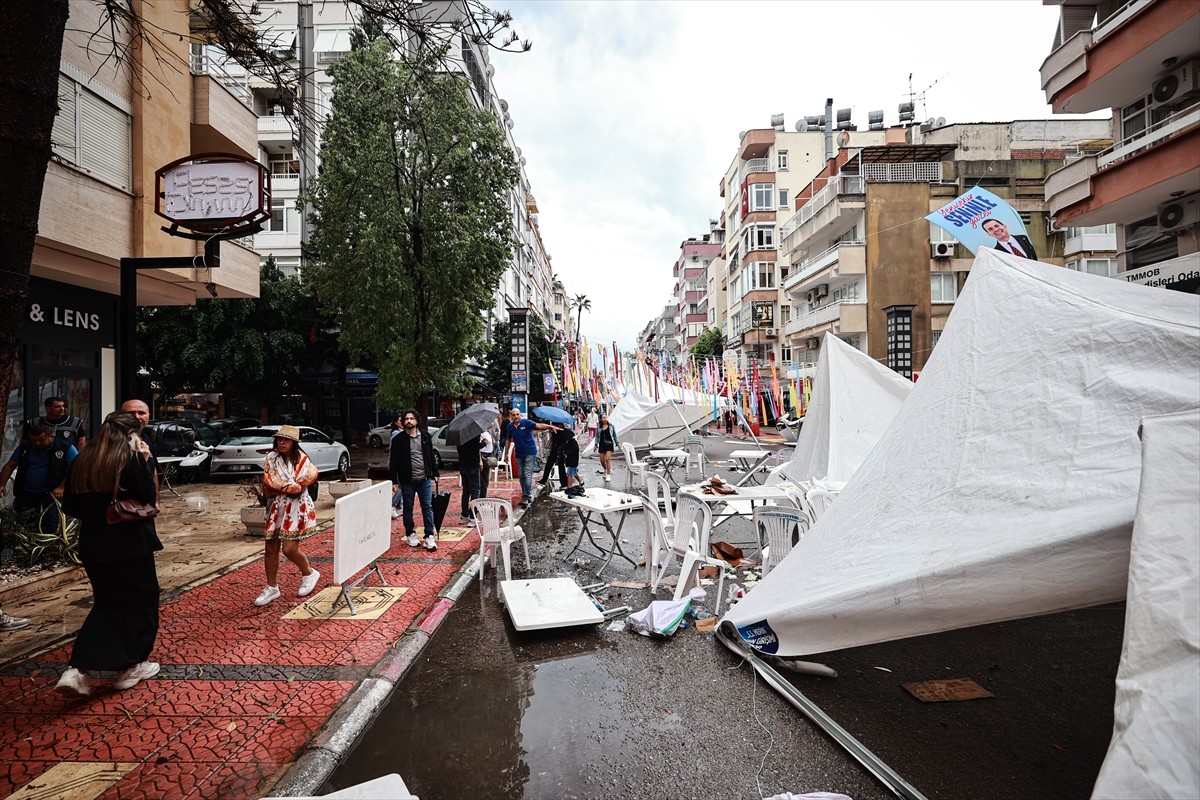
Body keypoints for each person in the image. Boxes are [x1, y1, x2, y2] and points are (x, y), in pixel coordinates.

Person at [55, 411, 161, 696]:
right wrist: (146, 459)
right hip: (130, 543)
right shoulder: (130, 458)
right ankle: (131, 666)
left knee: (107, 603)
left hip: (93, 544)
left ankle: (77, 670)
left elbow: (70, 507)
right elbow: (148, 497)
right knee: (141, 601)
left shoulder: (84, 460)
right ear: (131, 434)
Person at [253, 425, 321, 607]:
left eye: (286, 439)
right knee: (271, 547)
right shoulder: (271, 458)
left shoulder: (303, 461)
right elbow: (271, 480)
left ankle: (309, 572)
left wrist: (287, 486)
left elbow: (305, 480)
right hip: (276, 505)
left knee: (289, 549)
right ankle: (272, 587)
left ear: (294, 443)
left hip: (296, 506)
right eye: (279, 439)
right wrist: (288, 486)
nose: (282, 442)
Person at [0, 422, 79, 542]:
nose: (37, 443)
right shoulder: (25, 447)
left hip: (52, 493)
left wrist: (62, 487)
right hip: (27, 492)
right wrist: (2, 484)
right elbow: (10, 465)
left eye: (41, 440)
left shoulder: (66, 448)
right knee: (25, 523)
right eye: (34, 440)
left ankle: (49, 549)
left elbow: (77, 468)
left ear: (51, 436)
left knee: (51, 526)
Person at [389, 409, 439, 551]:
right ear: (403, 422)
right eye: (406, 419)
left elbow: (430, 455)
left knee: (427, 507)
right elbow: (393, 461)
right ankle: (410, 533)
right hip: (407, 480)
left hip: (424, 479)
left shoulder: (425, 436)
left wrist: (435, 472)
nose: (409, 421)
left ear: (417, 420)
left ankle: (429, 536)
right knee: (408, 508)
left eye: (412, 418)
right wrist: (394, 481)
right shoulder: (398, 440)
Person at [506, 408, 551, 509]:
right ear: (511, 416)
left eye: (517, 414)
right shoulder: (510, 426)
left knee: (527, 474)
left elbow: (539, 426)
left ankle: (526, 496)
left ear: (520, 415)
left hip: (530, 452)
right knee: (521, 476)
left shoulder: (526, 423)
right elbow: (508, 440)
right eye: (514, 415)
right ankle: (526, 494)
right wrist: (506, 453)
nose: (516, 416)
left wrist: (551, 427)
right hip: (519, 454)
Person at [456, 429, 484, 525]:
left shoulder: (459, 435)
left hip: (462, 465)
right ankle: (473, 517)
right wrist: (484, 443)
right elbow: (475, 447)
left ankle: (464, 515)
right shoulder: (473, 434)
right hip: (472, 466)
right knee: (475, 491)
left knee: (466, 491)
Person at [538, 424, 572, 492]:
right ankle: (544, 480)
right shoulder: (554, 431)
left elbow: (568, 441)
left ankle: (564, 483)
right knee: (549, 464)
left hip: (561, 451)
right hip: (554, 449)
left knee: (561, 466)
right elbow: (553, 441)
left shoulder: (566, 432)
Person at [595, 413, 619, 482]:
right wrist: (595, 445)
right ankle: (605, 469)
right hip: (602, 444)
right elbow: (597, 436)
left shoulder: (611, 426)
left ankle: (608, 474)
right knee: (602, 461)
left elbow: (614, 435)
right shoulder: (599, 427)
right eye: (603, 418)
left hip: (609, 444)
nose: (605, 419)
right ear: (601, 419)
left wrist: (617, 443)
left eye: (606, 417)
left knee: (607, 459)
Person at [478, 424, 495, 500]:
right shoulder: (480, 434)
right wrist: (480, 459)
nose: (491, 423)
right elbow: (478, 448)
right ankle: (481, 499)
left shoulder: (487, 432)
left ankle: (482, 498)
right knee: (483, 480)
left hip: (488, 455)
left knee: (485, 480)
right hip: (482, 456)